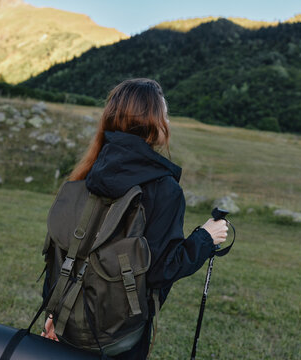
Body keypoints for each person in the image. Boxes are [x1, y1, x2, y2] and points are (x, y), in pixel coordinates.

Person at [41, 78, 228, 359]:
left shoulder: (89, 172)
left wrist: (54, 311)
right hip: (121, 335)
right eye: (164, 115)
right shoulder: (165, 189)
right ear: (155, 124)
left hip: (67, 324)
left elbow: (64, 252)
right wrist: (205, 237)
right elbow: (160, 270)